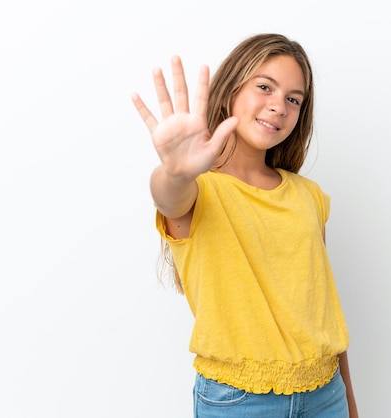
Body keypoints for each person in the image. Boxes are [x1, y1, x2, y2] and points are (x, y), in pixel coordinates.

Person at [132, 33, 359, 418]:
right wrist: (174, 172)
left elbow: (324, 314)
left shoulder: (309, 197)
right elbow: (167, 195)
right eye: (265, 87)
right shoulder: (198, 189)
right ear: (232, 89)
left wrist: (350, 405)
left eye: (293, 99)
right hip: (240, 403)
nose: (279, 106)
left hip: (326, 395)